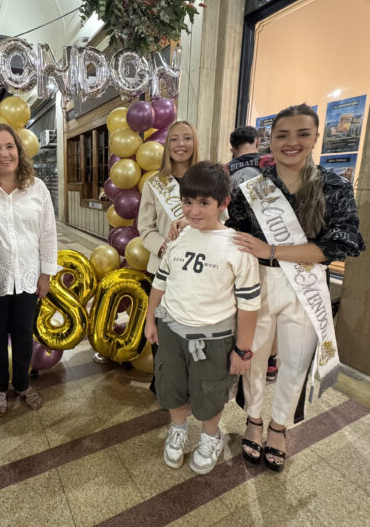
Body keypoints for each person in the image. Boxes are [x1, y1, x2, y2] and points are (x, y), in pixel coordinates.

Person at [229, 103, 365, 472]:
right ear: (269, 141)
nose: (292, 143)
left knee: (295, 361)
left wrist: (273, 249)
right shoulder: (253, 189)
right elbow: (231, 232)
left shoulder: (334, 186)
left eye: (303, 134)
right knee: (253, 357)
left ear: (316, 137)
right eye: (282, 135)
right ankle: (254, 420)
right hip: (258, 283)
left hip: (306, 286)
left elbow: (342, 243)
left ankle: (279, 427)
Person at [144, 161, 260, 475]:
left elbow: (249, 304)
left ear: (223, 203)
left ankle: (210, 436)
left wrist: (243, 349)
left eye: (204, 203)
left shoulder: (237, 245)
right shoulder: (178, 237)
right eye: (188, 202)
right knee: (172, 386)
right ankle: (178, 429)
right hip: (171, 330)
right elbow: (161, 281)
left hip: (214, 339)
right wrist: (151, 320)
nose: (194, 211)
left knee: (210, 393)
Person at [0, 123, 57, 416]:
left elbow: (48, 233)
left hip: (29, 276)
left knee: (23, 334)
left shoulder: (37, 187)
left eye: (10, 147)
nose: (5, 153)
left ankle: (22, 383)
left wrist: (46, 273)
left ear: (19, 150)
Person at [228, 125, 279, 382]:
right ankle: (269, 361)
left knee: (241, 303)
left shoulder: (225, 171)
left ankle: (239, 350)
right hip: (269, 249)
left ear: (232, 147)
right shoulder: (269, 164)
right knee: (266, 309)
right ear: (257, 142)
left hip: (235, 244)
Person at [138, 120, 200, 275]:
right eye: (174, 139)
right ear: (167, 145)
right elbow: (146, 228)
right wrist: (163, 246)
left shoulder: (208, 179)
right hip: (163, 266)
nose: (181, 144)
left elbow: (222, 221)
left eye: (187, 138)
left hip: (200, 265)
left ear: (195, 142)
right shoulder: (153, 184)